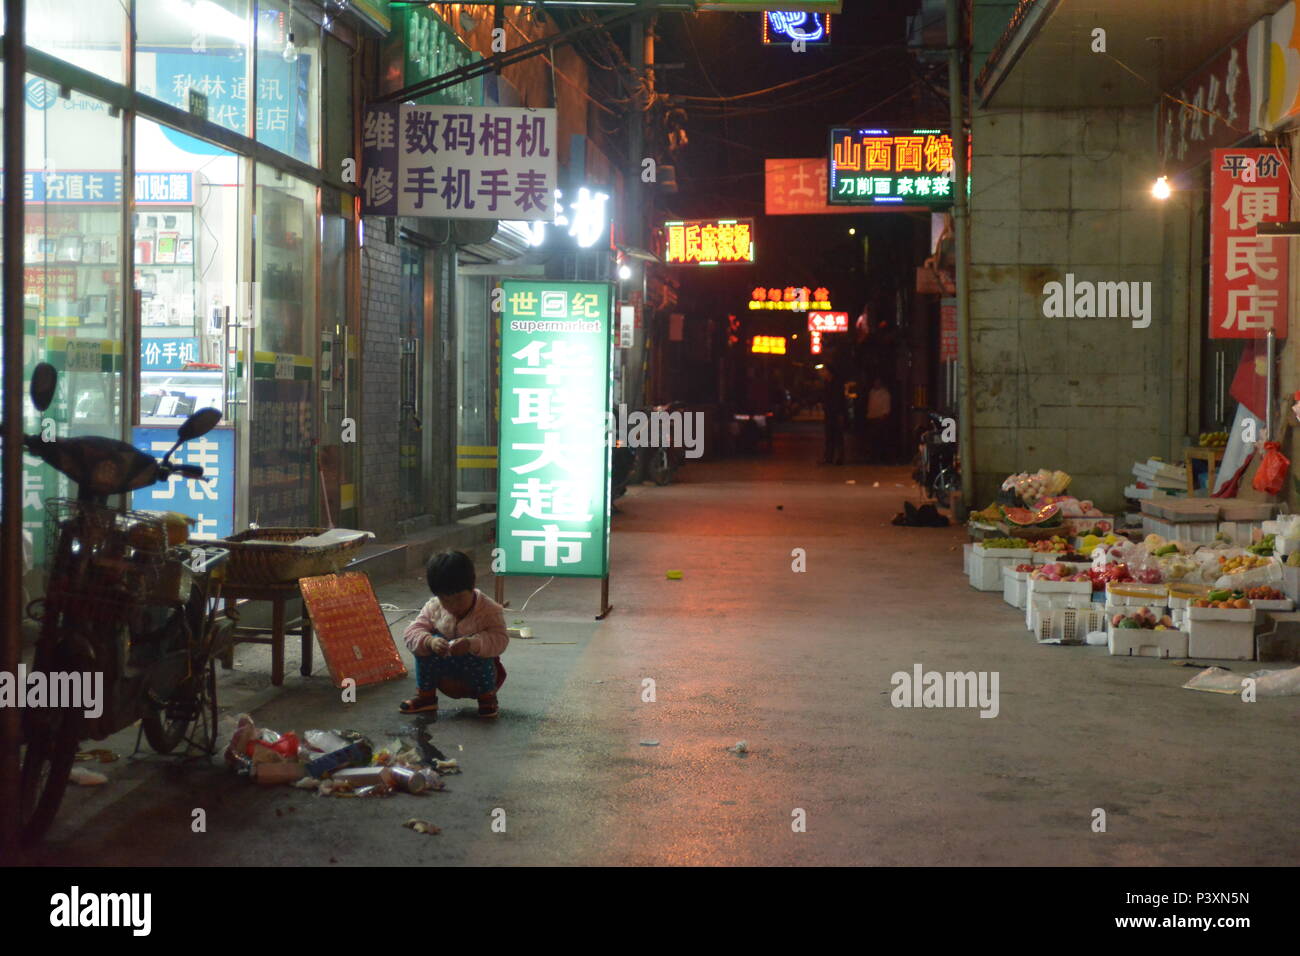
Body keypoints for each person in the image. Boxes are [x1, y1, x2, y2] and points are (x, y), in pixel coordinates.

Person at [400, 550, 509, 718]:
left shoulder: (489, 610)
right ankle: (426, 698)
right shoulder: (434, 606)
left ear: (472, 586)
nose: (452, 606)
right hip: (444, 674)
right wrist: (429, 642)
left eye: (458, 599)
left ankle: (487, 699)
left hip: (478, 677)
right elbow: (411, 632)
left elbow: (500, 639)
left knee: (482, 653)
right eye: (445, 600)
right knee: (424, 645)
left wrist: (473, 644)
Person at [819, 364, 847, 465]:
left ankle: (840, 458)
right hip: (829, 413)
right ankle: (829, 458)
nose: (823, 373)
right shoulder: (827, 383)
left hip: (836, 413)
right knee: (829, 436)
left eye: (824, 371)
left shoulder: (837, 384)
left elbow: (840, 399)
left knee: (838, 436)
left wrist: (840, 413)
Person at [866, 377, 892, 463]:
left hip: (881, 418)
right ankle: (874, 456)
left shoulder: (885, 393)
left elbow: (886, 406)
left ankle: (882, 457)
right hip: (872, 417)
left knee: (881, 439)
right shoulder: (872, 392)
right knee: (873, 439)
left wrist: (884, 415)